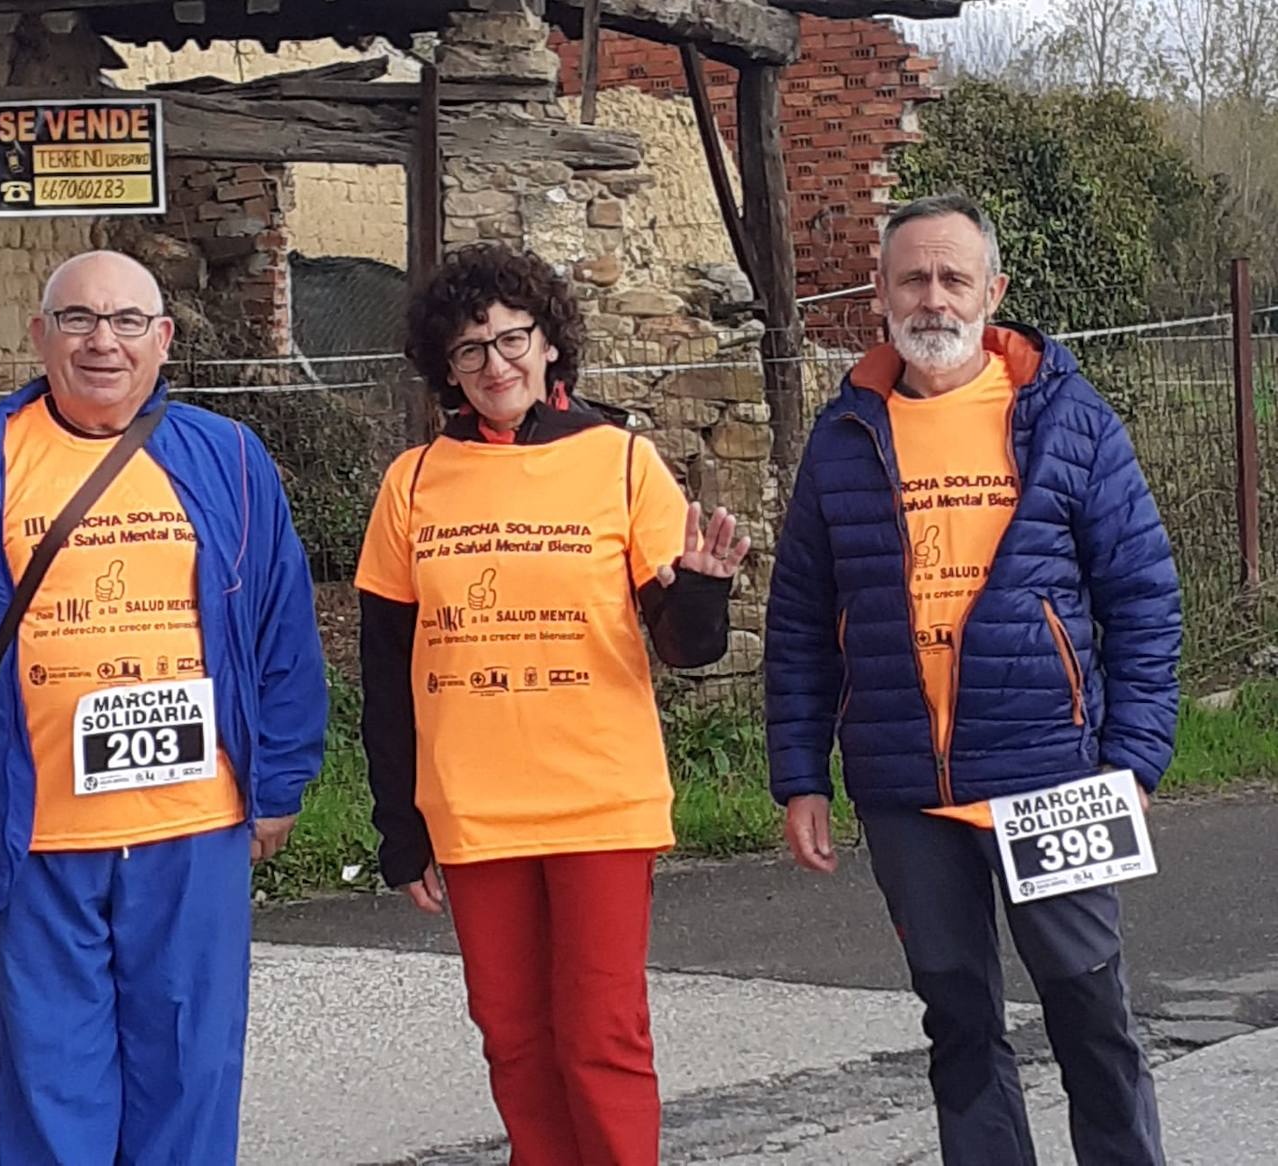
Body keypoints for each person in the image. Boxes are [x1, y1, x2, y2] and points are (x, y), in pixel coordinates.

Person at [765, 193, 1181, 1165]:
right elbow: (798, 625)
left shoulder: (1067, 420)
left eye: (956, 278)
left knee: (1092, 1010)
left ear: (993, 292)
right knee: (957, 1021)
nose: (935, 297)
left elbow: (1144, 599)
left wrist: (1136, 760)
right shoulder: (843, 439)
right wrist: (799, 775)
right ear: (879, 294)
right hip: (906, 788)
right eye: (914, 276)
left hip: (1057, 774)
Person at [0, 250, 328, 1164]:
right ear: (42, 337)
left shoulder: (229, 461)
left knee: (190, 1079)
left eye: (128, 321)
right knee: (56, 1090)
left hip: (193, 829)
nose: (104, 341)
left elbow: (281, 628)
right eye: (80, 320)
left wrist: (282, 778)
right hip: (41, 839)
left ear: (163, 339)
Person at [355, 242, 749, 1166]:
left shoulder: (622, 462)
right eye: (469, 350)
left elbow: (688, 647)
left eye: (512, 339)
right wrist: (398, 822)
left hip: (598, 801)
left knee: (602, 1035)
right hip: (471, 806)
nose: (496, 365)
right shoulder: (411, 482)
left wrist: (701, 590)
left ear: (550, 345)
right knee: (512, 1033)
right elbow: (384, 670)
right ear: (444, 369)